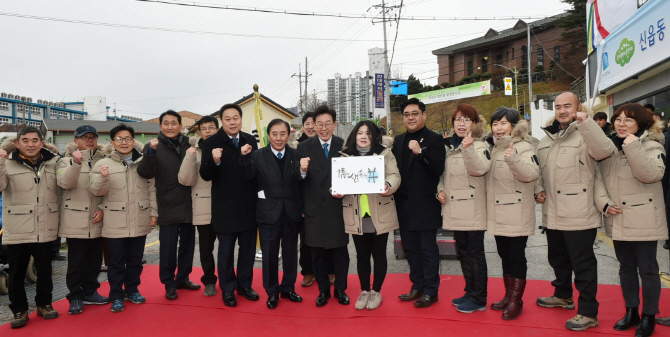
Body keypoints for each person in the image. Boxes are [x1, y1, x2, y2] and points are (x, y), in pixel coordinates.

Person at [534, 92, 615, 331]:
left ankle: (589, 312)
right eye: (558, 106)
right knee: (558, 258)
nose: (562, 110)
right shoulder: (547, 136)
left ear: (578, 107)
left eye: (567, 106)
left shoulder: (587, 132)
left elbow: (604, 151)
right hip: (553, 211)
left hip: (580, 212)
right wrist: (538, 189)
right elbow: (539, 170)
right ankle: (563, 296)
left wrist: (586, 123)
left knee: (583, 265)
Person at [588, 103, 667, 337]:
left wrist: (633, 147)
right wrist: (603, 202)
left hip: (644, 218)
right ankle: (631, 311)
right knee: (626, 269)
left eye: (628, 120)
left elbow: (651, 174)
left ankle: (649, 316)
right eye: (618, 119)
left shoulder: (652, 146)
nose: (622, 124)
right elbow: (597, 178)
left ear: (641, 123)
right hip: (618, 216)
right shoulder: (610, 147)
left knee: (648, 270)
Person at [89, 124, 158, 313]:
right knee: (116, 261)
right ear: (113, 142)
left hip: (139, 216)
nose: (124, 142)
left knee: (135, 260)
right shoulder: (103, 164)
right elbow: (96, 191)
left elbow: (152, 188)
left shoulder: (144, 162)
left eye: (127, 138)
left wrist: (154, 212)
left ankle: (132, 290)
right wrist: (103, 177)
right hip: (114, 219)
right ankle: (117, 295)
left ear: (133, 141)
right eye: (119, 139)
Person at [0, 127, 61, 328]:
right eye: (25, 140)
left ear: (41, 143)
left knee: (45, 269)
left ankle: (44, 305)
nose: (30, 144)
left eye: (35, 140)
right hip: (18, 227)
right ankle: (20, 310)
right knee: (17, 271)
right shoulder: (7, 163)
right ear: (17, 144)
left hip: (44, 226)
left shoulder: (53, 162)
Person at [200, 103, 259, 307]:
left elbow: (254, 172)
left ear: (241, 120)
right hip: (224, 208)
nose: (232, 122)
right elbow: (205, 175)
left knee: (248, 251)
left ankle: (244, 285)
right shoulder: (211, 143)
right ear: (221, 121)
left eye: (236, 118)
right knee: (225, 252)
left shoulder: (250, 140)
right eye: (228, 118)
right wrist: (214, 161)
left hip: (248, 206)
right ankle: (227, 288)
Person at [241, 119, 304, 309]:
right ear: (268, 136)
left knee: (291, 253)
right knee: (269, 256)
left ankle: (288, 288)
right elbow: (248, 177)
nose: (278, 138)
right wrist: (244, 158)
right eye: (274, 134)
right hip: (268, 214)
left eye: (282, 134)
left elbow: (301, 182)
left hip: (291, 213)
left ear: (289, 134)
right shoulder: (257, 155)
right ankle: (272, 291)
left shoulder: (296, 154)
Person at [483, 108, 539, 320]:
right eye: (495, 123)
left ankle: (516, 300)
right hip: (498, 211)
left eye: (503, 123)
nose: (498, 128)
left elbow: (531, 174)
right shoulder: (495, 147)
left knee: (516, 257)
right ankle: (508, 295)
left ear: (514, 126)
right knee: (504, 255)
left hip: (517, 211)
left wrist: (514, 158)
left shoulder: (524, 146)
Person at [339, 120, 400, 310]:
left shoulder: (385, 154)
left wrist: (388, 185)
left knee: (379, 255)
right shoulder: (344, 156)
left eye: (368, 133)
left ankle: (376, 292)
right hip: (356, 214)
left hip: (379, 211)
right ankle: (365, 290)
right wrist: (337, 189)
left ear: (374, 136)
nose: (364, 137)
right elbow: (339, 180)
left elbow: (395, 175)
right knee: (361, 255)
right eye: (360, 133)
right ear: (354, 136)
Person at [138, 110, 198, 300]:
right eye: (166, 123)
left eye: (174, 123)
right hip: (167, 204)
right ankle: (169, 283)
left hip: (189, 203)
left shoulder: (190, 144)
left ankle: (183, 278)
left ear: (181, 126)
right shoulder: (153, 145)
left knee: (188, 246)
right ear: (160, 126)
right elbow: (145, 173)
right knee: (168, 248)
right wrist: (151, 153)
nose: (170, 127)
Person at [392, 97, 446, 308]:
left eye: (415, 113)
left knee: (427, 249)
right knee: (410, 248)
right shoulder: (398, 140)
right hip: (403, 204)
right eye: (407, 114)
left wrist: (420, 152)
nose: (411, 117)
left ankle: (431, 291)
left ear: (424, 115)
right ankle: (418, 285)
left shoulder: (434, 139)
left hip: (424, 205)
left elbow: (438, 168)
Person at [437, 104, 490, 313]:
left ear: (474, 123)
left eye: (466, 119)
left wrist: (468, 149)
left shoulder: (479, 146)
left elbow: (479, 169)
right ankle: (470, 291)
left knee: (475, 254)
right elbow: (443, 175)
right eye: (458, 120)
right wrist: (439, 190)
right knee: (463, 252)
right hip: (455, 208)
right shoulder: (450, 147)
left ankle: (479, 298)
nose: (461, 123)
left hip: (473, 210)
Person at [297, 105, 350, 307]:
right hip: (313, 209)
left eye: (328, 124)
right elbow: (297, 179)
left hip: (337, 207)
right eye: (320, 124)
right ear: (314, 125)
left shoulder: (344, 145)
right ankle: (323, 291)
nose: (324, 128)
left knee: (340, 253)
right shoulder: (303, 147)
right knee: (317, 253)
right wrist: (302, 171)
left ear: (334, 125)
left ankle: (341, 290)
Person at [56, 125, 110, 315]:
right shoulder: (64, 161)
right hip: (74, 219)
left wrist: (103, 209)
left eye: (93, 137)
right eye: (84, 137)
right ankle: (75, 296)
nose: (89, 140)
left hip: (96, 219)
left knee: (95, 260)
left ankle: (90, 291)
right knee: (76, 261)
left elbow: (111, 191)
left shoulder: (104, 161)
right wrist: (76, 164)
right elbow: (65, 183)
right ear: (76, 140)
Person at [178, 116, 219, 297]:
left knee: (226, 249)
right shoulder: (193, 151)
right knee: (206, 249)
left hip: (226, 206)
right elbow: (185, 180)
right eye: (204, 128)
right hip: (203, 206)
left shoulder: (226, 148)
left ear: (218, 129)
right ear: (199, 132)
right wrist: (189, 157)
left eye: (211, 127)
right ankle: (209, 280)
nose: (208, 131)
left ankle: (227, 280)